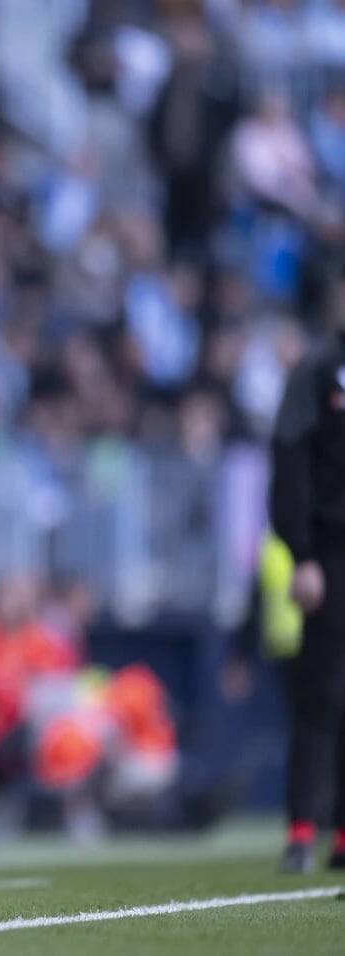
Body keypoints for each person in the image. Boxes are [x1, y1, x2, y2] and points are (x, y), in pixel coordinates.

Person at [267, 267, 345, 873]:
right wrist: (303, 554)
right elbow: (290, 464)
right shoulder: (317, 371)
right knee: (322, 694)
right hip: (331, 553)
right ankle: (301, 831)